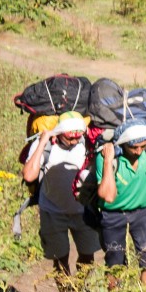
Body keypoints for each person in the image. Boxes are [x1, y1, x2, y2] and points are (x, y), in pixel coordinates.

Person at [95, 121, 146, 292]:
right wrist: (108, 161)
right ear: (123, 144)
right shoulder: (106, 156)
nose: (138, 151)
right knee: (115, 265)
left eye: (142, 146)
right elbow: (108, 196)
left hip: (142, 213)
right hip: (113, 215)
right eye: (134, 147)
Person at [21, 112, 97, 278]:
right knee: (59, 258)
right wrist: (42, 142)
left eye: (78, 137)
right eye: (69, 138)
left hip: (83, 211)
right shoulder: (45, 145)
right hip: (52, 211)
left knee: (87, 255)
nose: (74, 142)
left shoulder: (88, 144)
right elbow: (28, 175)